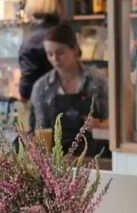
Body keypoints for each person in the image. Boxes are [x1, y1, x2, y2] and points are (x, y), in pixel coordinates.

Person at [30, 24, 108, 156]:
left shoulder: (97, 80)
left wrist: (100, 126)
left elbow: (115, 120)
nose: (55, 59)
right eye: (50, 54)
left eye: (60, 52)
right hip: (56, 164)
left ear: (74, 49)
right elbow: (38, 130)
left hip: (95, 159)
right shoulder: (42, 87)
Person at [18, 0, 65, 101]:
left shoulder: (31, 41)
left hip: (43, 109)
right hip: (71, 107)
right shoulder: (67, 35)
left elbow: (26, 91)